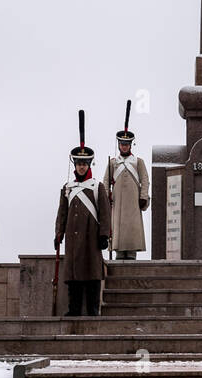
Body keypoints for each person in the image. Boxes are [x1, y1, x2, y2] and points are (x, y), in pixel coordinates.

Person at [55, 111, 111, 316]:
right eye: (78, 163)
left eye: (84, 164)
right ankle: (74, 309)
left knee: (93, 275)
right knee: (73, 276)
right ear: (75, 165)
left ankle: (93, 309)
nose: (81, 167)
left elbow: (105, 213)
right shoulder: (67, 187)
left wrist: (104, 235)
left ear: (89, 165)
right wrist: (58, 234)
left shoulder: (97, 187)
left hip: (91, 238)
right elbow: (62, 213)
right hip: (72, 238)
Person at [103, 102, 149, 260]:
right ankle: (119, 256)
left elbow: (145, 180)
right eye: (122, 144)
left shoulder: (138, 162)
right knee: (118, 236)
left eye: (126, 144)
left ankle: (131, 257)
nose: (124, 147)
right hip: (117, 204)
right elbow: (105, 183)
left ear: (131, 144)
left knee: (132, 234)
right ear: (119, 145)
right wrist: (106, 197)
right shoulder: (112, 163)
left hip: (133, 204)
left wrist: (143, 197)